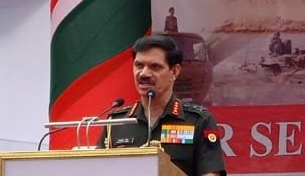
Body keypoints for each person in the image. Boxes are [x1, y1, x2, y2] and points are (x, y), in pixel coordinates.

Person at [96, 35, 226, 176]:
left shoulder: (198, 121)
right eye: (139, 65)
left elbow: (211, 173)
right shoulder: (116, 122)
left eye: (155, 67)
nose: (144, 73)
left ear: (174, 72)